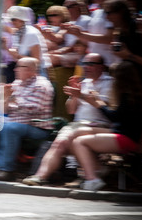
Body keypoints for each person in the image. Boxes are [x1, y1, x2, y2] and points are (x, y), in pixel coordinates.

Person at [22, 53, 113, 186]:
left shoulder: (109, 82)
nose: (86, 67)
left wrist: (80, 94)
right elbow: (71, 110)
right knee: (59, 143)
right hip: (78, 125)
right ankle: (39, 176)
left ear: (101, 67)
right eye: (84, 63)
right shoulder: (84, 82)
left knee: (65, 141)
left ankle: (93, 174)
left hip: (100, 125)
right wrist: (75, 95)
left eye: (91, 64)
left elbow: (105, 107)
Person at [72, 60, 142, 190]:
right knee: (78, 132)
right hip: (123, 134)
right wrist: (97, 101)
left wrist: (97, 103)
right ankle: (98, 170)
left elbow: (115, 117)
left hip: (126, 138)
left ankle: (92, 179)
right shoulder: (136, 94)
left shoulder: (127, 97)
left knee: (79, 142)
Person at [5, 6, 51, 78]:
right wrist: (6, 48)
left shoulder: (31, 33)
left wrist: (17, 55)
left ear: (21, 20)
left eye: (13, 19)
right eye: (10, 20)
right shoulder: (17, 33)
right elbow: (17, 57)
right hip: (24, 74)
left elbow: (37, 61)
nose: (11, 22)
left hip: (37, 75)